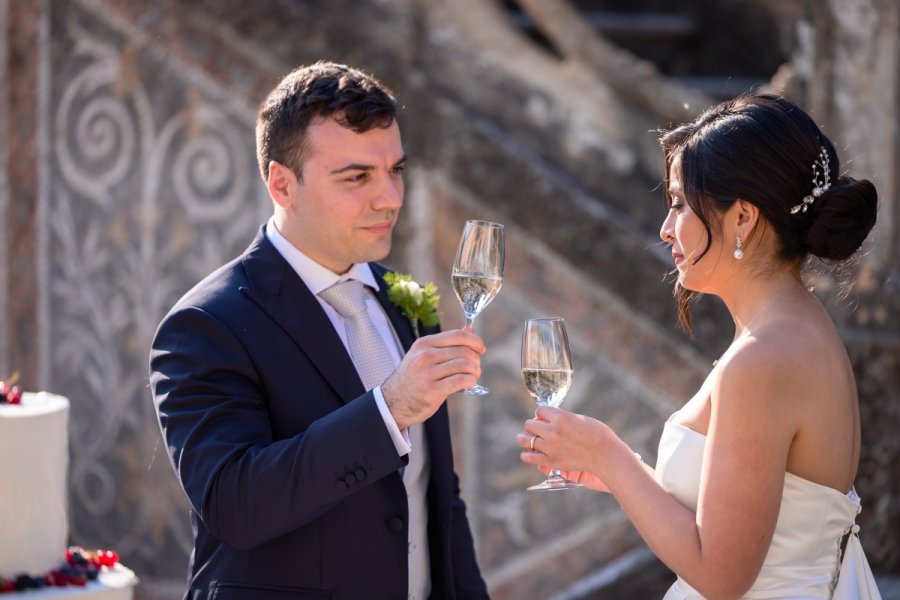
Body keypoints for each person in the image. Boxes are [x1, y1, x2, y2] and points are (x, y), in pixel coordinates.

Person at [518, 93, 882, 599]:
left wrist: (611, 457)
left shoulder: (762, 360)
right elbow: (761, 520)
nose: (666, 229)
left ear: (743, 218)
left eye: (679, 204)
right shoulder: (795, 328)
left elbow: (721, 575)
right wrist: (628, 478)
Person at [150, 61, 490, 600]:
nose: (390, 198)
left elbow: (436, 497)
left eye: (396, 170)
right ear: (282, 184)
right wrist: (391, 409)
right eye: (357, 177)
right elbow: (234, 506)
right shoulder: (205, 325)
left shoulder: (409, 300)